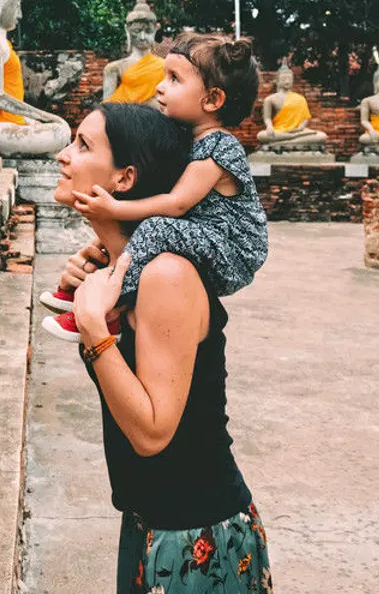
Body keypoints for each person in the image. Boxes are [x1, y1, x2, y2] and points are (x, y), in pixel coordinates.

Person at [54, 104, 273, 593]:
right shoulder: (123, 274)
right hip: (148, 520)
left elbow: (152, 433)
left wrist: (94, 327)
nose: (63, 156)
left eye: (83, 145)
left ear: (125, 178)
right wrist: (99, 308)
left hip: (195, 534)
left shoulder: (167, 274)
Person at [40, 35, 268, 335]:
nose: (160, 87)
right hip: (203, 234)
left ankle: (111, 306)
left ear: (212, 100)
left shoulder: (219, 147)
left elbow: (177, 204)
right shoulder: (188, 140)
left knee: (154, 228)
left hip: (232, 249)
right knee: (125, 237)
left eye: (174, 79)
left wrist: (115, 207)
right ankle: (81, 287)